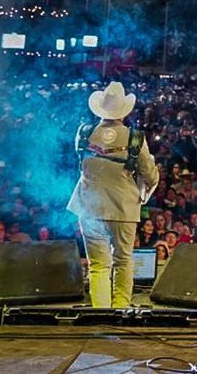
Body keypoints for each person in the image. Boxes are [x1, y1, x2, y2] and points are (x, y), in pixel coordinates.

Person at [67, 81, 159, 309]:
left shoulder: (84, 133)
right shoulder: (135, 138)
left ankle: (101, 310)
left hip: (89, 206)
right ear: (124, 111)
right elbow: (150, 175)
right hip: (123, 207)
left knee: (98, 265)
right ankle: (120, 308)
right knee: (123, 260)